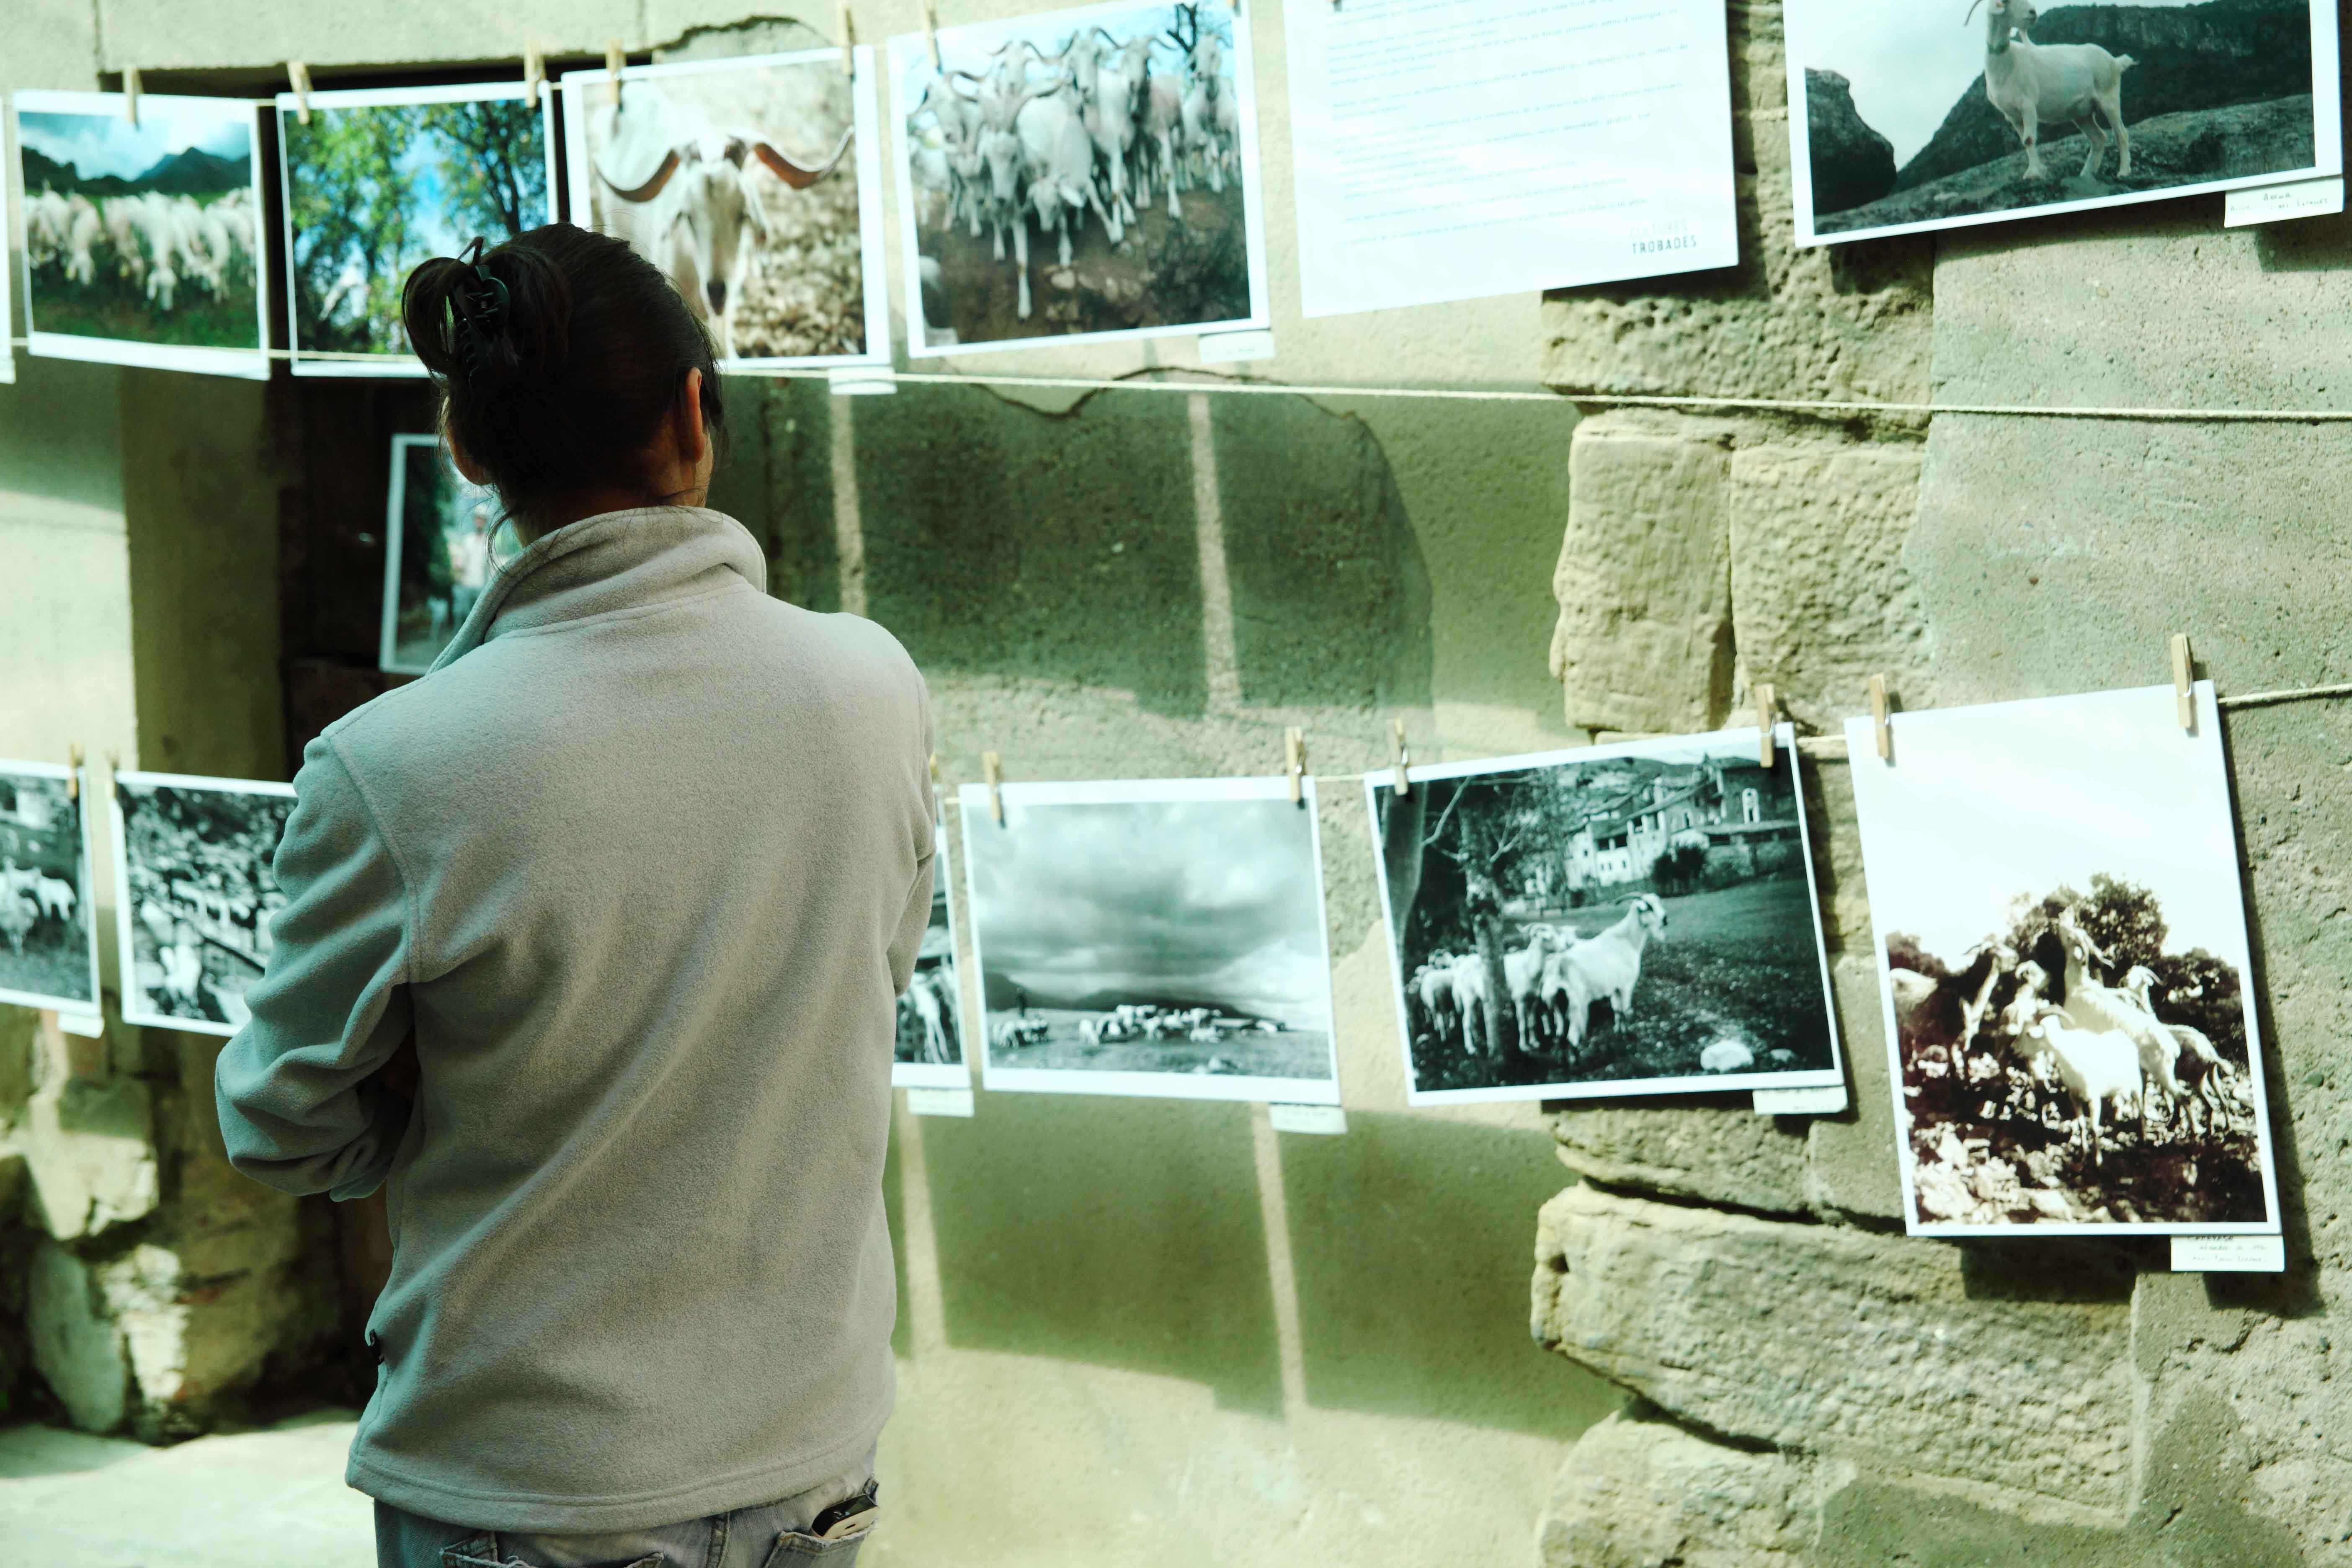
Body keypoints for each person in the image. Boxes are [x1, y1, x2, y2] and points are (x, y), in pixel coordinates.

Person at [214, 226, 933, 1568]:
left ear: (467, 451)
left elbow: (278, 1119)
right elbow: (872, 984)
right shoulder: (872, 687)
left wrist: (440, 1085)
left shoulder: (396, 766)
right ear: (695, 413)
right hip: (809, 1465)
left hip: (525, 1486)